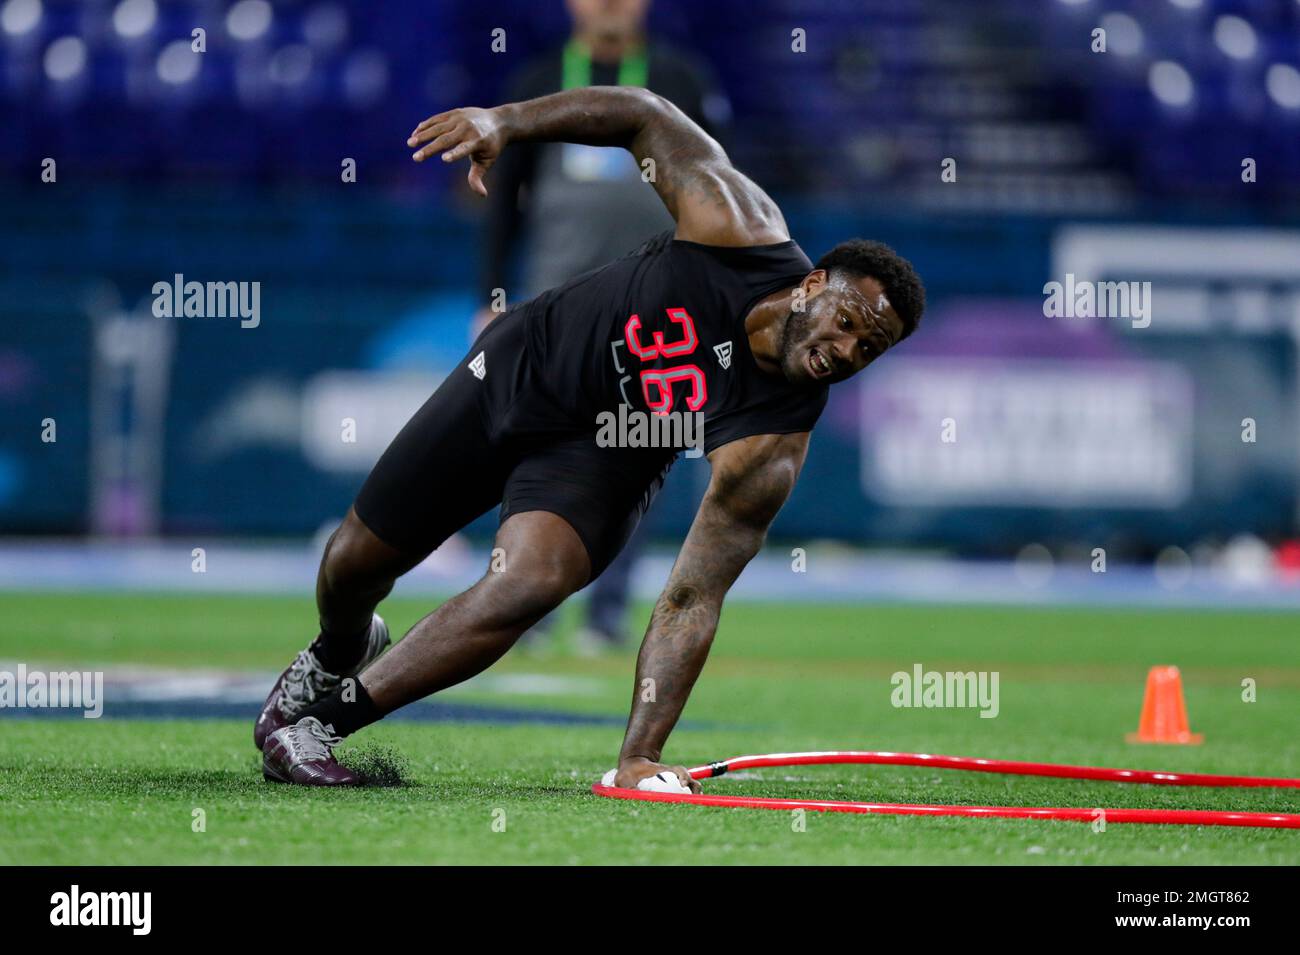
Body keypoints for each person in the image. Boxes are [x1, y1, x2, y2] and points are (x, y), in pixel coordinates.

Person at [255, 86, 925, 790]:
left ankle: (320, 726)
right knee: (354, 561)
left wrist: (641, 756)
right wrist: (503, 122)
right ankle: (341, 645)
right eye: (847, 321)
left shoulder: (774, 446)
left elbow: (692, 598)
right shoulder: (737, 224)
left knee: (531, 581)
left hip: (604, 459)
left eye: (869, 349)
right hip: (522, 371)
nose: (847, 350)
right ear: (811, 285)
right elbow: (643, 115)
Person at [478, 0, 729, 652]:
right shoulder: (536, 80)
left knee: (640, 459)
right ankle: (524, 606)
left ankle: (606, 615)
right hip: (556, 303)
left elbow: (717, 191)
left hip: (660, 310)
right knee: (539, 455)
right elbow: (503, 200)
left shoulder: (679, 78)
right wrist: (493, 294)